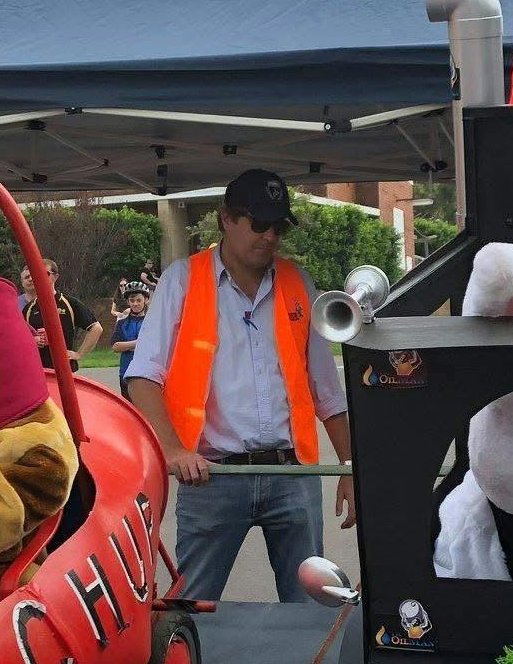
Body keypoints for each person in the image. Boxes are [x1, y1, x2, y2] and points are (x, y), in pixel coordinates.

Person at [126, 168, 354, 601]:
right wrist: (173, 450)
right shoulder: (182, 280)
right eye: (260, 223)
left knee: (310, 609)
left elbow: (327, 389)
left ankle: (307, 651)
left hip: (292, 475)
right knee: (192, 606)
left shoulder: (297, 283)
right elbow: (143, 377)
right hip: (211, 476)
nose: (270, 236)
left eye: (279, 226)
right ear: (226, 219)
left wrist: (348, 466)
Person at [19, 258, 102, 367]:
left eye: (45, 273)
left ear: (55, 277)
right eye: (36, 273)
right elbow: (20, 337)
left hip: (66, 369)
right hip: (39, 370)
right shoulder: (29, 308)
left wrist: (79, 354)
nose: (39, 276)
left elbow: (96, 328)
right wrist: (33, 340)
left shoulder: (69, 303)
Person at [110, 284, 149, 393]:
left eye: (139, 300)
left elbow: (155, 346)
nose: (135, 303)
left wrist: (127, 346)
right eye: (132, 300)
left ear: (146, 300)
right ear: (128, 302)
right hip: (126, 372)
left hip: (146, 373)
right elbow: (116, 346)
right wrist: (139, 342)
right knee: (127, 403)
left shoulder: (151, 322)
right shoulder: (122, 323)